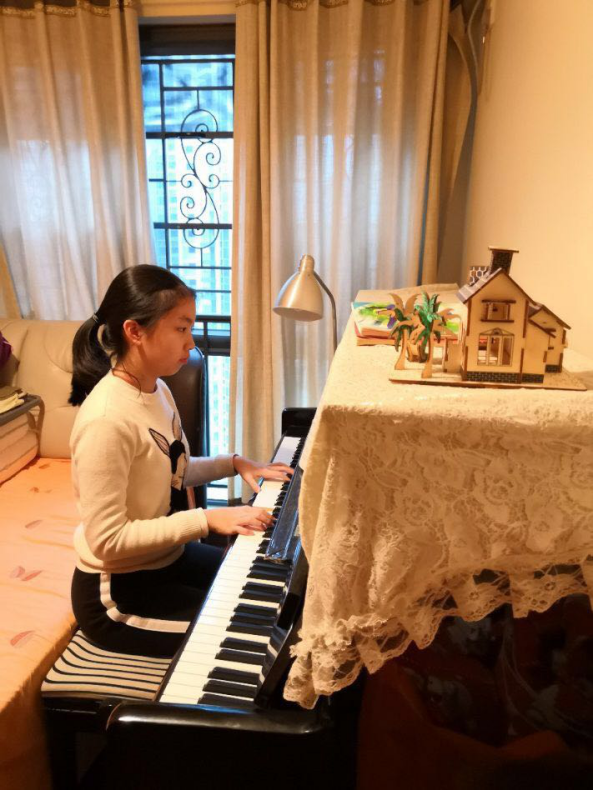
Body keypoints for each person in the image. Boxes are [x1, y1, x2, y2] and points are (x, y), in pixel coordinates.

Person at [68, 265, 293, 658]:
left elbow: (174, 471)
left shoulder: (157, 389)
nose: (190, 342)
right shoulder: (105, 420)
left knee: (271, 588)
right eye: (181, 328)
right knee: (255, 635)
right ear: (134, 331)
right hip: (119, 593)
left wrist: (235, 463)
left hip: (168, 559)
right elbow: (108, 540)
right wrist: (206, 520)